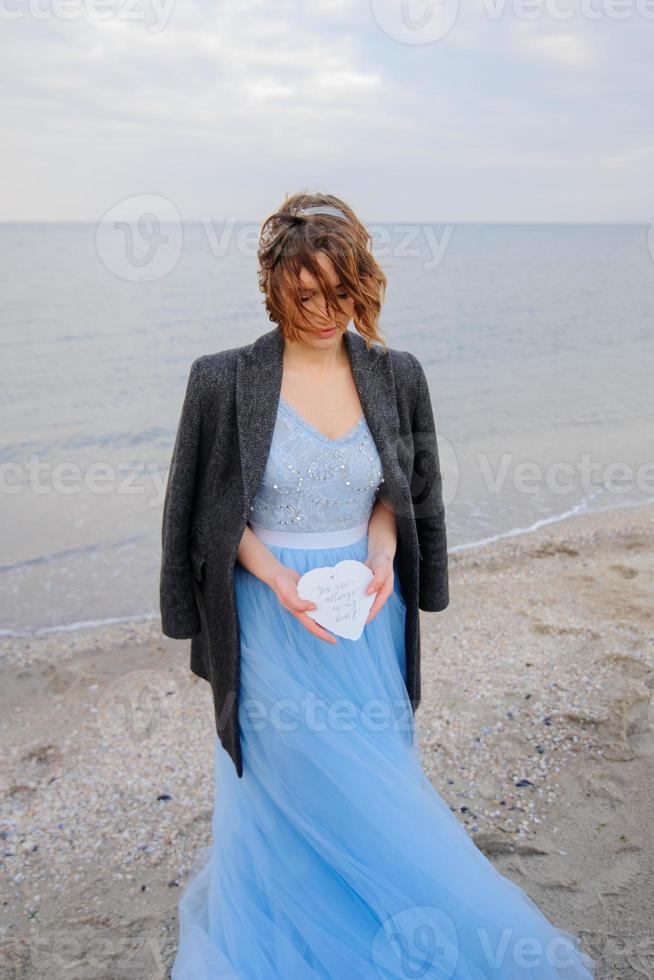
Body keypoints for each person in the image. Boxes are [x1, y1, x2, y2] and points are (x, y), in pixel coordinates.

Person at [165, 193, 596, 978]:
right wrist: (276, 578)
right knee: (288, 782)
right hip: (269, 617)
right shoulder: (223, 381)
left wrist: (385, 555)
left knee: (374, 784)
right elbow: (203, 512)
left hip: (365, 610)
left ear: (362, 285)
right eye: (305, 297)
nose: (326, 312)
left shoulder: (395, 375)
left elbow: (398, 489)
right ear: (274, 290)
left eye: (341, 293)